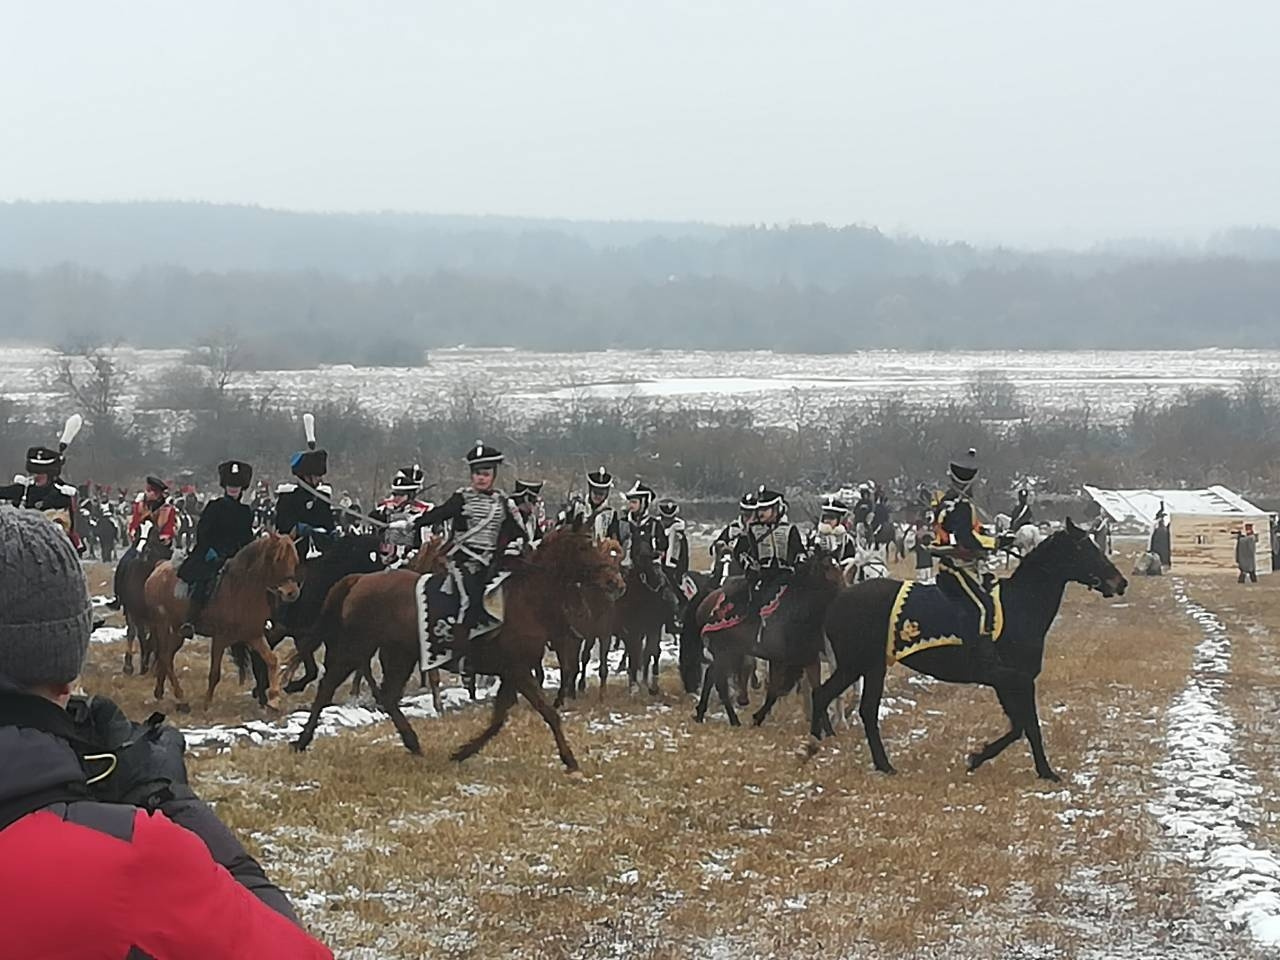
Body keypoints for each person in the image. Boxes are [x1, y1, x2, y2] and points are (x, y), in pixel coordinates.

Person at [0, 507, 332, 959]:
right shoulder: (134, 854)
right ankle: (192, 620)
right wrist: (171, 799)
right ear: (65, 672)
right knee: (200, 584)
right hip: (212, 561)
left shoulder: (242, 513)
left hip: (236, 559)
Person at [414, 442, 522, 666]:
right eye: (477, 473)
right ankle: (460, 653)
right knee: (470, 600)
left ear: (493, 475)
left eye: (486, 474)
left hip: (492, 563)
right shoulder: (462, 498)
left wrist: (516, 545)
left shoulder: (504, 502)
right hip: (463, 560)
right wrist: (413, 522)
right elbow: (440, 513)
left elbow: (518, 532)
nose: (481, 478)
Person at [931, 448, 1003, 666]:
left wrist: (987, 534)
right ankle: (979, 657)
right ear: (968, 482)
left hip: (962, 563)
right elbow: (965, 539)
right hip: (956, 565)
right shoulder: (960, 505)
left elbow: (971, 529)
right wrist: (996, 543)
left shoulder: (949, 501)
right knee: (984, 606)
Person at [177, 461, 256, 639]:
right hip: (212, 553)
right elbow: (203, 532)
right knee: (204, 580)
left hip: (236, 556)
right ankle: (191, 620)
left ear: (242, 488)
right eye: (230, 485)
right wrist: (210, 551)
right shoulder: (214, 506)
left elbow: (246, 537)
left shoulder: (245, 511)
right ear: (225, 486)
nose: (233, 489)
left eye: (236, 486)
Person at [0, 415, 86, 553]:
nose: (36, 476)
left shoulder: (60, 493)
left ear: (49, 474)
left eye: (40, 473)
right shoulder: (24, 489)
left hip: (50, 544)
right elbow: (4, 492)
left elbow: (65, 523)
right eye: (35, 472)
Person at [732, 485, 805, 621]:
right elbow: (740, 552)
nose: (761, 513)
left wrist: (799, 564)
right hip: (763, 576)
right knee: (755, 602)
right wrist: (750, 566)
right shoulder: (752, 530)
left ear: (776, 509)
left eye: (765, 509)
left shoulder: (790, 530)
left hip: (787, 575)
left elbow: (799, 551)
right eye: (760, 509)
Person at [275, 415, 335, 559]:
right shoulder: (289, 496)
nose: (320, 479)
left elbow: (327, 521)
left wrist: (332, 531)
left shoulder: (322, 496)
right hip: (295, 552)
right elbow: (282, 524)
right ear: (306, 476)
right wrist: (299, 528)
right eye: (316, 475)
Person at [369, 465, 432, 562]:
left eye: (401, 494)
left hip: (411, 560)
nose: (396, 498)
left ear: (411, 495)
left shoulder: (424, 511)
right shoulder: (383, 510)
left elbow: (426, 542)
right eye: (395, 494)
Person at [711, 492, 756, 583]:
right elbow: (715, 546)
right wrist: (720, 546)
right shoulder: (733, 527)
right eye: (745, 514)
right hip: (730, 567)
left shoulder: (760, 530)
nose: (748, 518)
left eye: (750, 514)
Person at [126, 477, 178, 555]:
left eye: (151, 491)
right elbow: (135, 522)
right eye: (147, 490)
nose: (148, 493)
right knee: (126, 560)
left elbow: (169, 527)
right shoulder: (140, 506)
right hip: (140, 541)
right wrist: (133, 531)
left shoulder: (168, 509)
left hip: (159, 545)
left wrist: (165, 537)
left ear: (158, 494)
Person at [654, 497, 690, 590]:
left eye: (670, 520)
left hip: (673, 572)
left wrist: (680, 576)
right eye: (665, 520)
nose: (667, 522)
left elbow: (684, 558)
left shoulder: (680, 535)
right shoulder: (653, 529)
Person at [811, 495, 856, 562]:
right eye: (825, 517)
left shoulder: (847, 540)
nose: (827, 521)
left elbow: (849, 558)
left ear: (839, 520)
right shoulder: (814, 536)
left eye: (831, 518)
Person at [511, 478, 547, 552]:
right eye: (534, 501)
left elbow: (538, 537)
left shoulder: (532, 518)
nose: (536, 505)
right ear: (526, 499)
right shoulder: (512, 518)